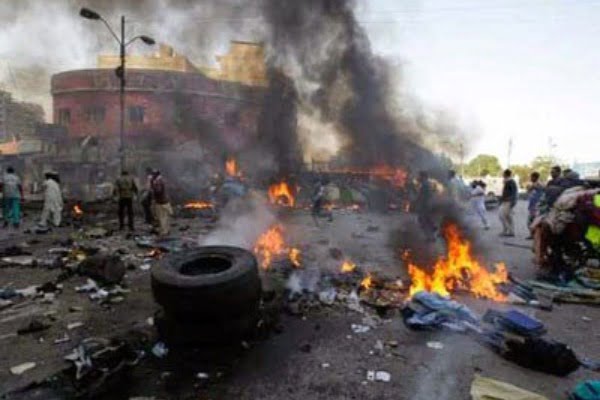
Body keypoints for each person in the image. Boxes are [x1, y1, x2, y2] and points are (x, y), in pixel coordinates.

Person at [150, 170, 171, 236]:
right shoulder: (162, 180)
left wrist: (153, 186)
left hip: (161, 203)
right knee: (165, 218)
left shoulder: (158, 181)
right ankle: (166, 230)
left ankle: (163, 232)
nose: (152, 176)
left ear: (155, 175)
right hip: (165, 202)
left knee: (162, 218)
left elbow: (158, 191)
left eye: (153, 175)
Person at [416, 171, 436, 241]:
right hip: (429, 205)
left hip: (425, 206)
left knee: (423, 220)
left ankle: (430, 236)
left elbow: (421, 196)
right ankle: (432, 235)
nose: (419, 177)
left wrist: (416, 202)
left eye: (420, 176)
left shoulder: (425, 185)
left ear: (423, 177)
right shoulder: (428, 184)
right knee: (427, 220)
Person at [499, 169, 518, 237]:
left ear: (506, 174)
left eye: (503, 174)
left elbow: (514, 192)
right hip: (505, 201)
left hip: (509, 201)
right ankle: (507, 230)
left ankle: (510, 232)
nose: (502, 175)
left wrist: (513, 201)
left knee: (507, 216)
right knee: (501, 215)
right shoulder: (506, 181)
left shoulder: (511, 181)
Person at [526, 171, 544, 238]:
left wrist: (530, 187)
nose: (531, 178)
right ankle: (533, 234)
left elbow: (529, 190)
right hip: (533, 205)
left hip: (536, 206)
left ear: (535, 177)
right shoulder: (536, 184)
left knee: (531, 221)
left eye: (531, 177)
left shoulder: (538, 184)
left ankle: (533, 235)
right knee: (531, 221)